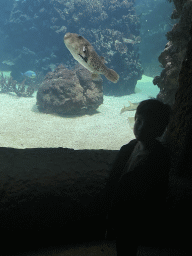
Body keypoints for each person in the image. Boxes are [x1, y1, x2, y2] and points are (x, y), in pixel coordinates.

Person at [104, 98, 172, 255]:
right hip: (118, 209)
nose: (141, 128)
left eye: (149, 124)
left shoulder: (160, 158)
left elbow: (158, 193)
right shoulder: (128, 148)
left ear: (161, 129)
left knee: (127, 246)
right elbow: (115, 178)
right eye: (139, 121)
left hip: (136, 216)